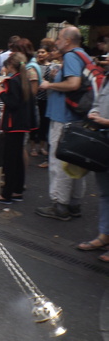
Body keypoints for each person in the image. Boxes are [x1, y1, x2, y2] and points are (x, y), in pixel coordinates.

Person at [35, 26, 88, 221]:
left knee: (59, 162)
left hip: (64, 118)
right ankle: (74, 203)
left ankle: (59, 205)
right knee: (75, 162)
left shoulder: (72, 57)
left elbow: (73, 83)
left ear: (67, 41)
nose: (56, 42)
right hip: (77, 118)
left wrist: (50, 84)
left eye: (58, 38)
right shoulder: (84, 56)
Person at [0, 52, 37, 204]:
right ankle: (17, 190)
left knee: (10, 161)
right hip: (22, 125)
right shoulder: (24, 80)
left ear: (10, 65)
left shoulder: (12, 81)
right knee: (17, 160)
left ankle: (7, 194)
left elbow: (12, 103)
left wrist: (0, 91)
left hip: (12, 125)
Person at [76, 80, 109, 262]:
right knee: (105, 193)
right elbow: (97, 102)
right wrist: (94, 112)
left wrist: (106, 121)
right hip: (103, 140)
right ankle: (104, 235)